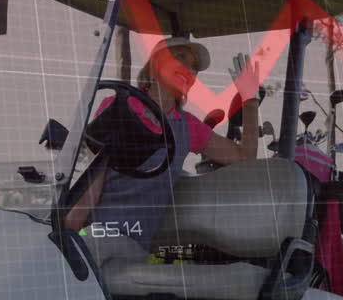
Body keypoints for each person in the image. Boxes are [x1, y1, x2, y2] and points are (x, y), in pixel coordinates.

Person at [65, 36, 261, 248]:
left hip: (135, 246)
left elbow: (245, 157)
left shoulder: (188, 126)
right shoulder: (119, 106)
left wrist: (250, 100)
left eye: (194, 67)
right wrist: (67, 237)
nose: (189, 69)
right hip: (97, 234)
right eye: (181, 57)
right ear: (154, 67)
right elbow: (92, 182)